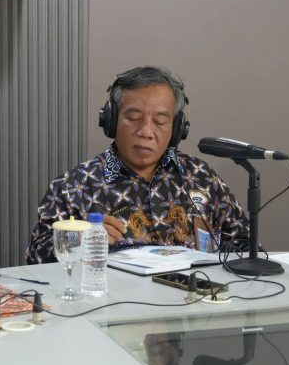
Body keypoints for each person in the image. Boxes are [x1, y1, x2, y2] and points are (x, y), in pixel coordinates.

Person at [26, 65, 248, 264]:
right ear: (111, 120)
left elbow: (245, 246)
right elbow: (35, 258)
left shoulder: (201, 177)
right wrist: (80, 242)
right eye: (133, 118)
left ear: (177, 128)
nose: (146, 132)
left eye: (160, 121)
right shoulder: (73, 186)